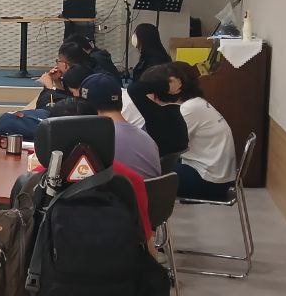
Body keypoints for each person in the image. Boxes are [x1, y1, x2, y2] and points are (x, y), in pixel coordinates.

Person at [169, 61, 236, 199]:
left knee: (149, 171)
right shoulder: (196, 103)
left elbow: (168, 145)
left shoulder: (189, 108)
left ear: (178, 84)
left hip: (211, 182)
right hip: (217, 176)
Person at [78, 73, 162, 178]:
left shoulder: (97, 141)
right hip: (152, 193)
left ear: (87, 108)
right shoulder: (146, 137)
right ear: (120, 103)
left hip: (122, 194)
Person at [0, 65, 90, 139]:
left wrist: (49, 89)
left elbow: (1, 120)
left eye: (59, 61)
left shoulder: (77, 113)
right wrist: (56, 83)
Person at [120, 63, 188, 158]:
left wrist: (165, 85)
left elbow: (134, 89)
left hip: (141, 167)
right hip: (162, 167)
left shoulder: (155, 114)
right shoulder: (176, 115)